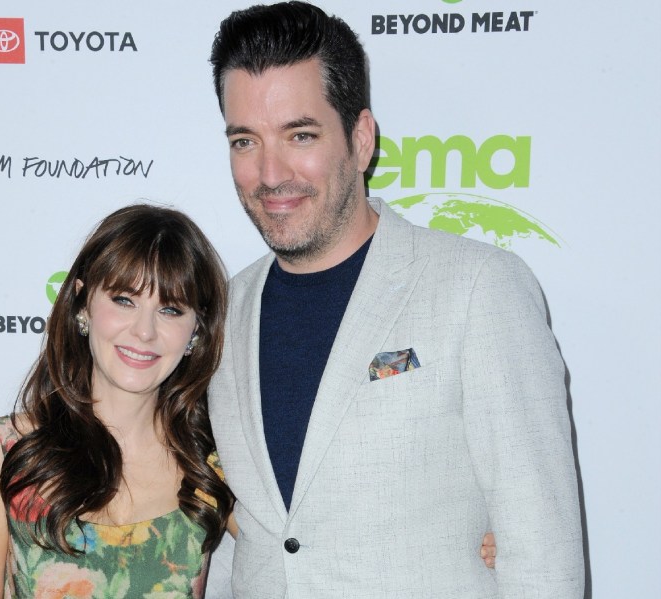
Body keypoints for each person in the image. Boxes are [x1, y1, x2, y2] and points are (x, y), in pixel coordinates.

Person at [207, 2, 584, 598]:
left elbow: (542, 553)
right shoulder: (223, 310)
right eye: (244, 140)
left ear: (361, 139)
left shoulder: (479, 287)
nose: (270, 172)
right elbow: (256, 536)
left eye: (300, 135)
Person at [0, 204, 234, 598]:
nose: (144, 331)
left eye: (170, 309)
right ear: (83, 302)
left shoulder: (215, 462)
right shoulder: (6, 451)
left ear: (197, 330)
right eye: (124, 300)